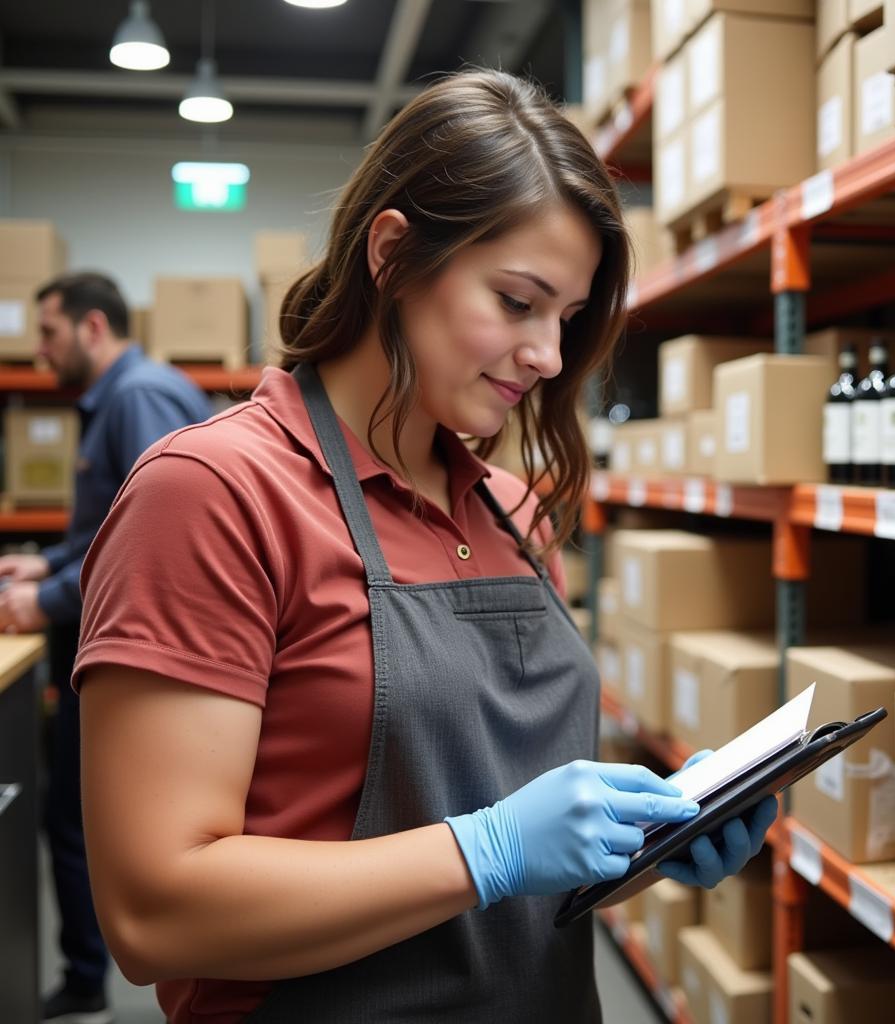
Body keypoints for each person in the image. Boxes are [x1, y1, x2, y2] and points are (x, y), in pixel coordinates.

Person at [73, 71, 777, 1024]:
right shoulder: (213, 496)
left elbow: (508, 887)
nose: (549, 357)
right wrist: (485, 849)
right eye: (518, 301)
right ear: (394, 254)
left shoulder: (516, 514)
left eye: (567, 319)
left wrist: (641, 845)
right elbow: (154, 913)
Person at [0, 271, 212, 1023]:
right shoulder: (123, 398)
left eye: (49, 332)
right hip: (113, 639)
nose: (39, 349)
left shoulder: (136, 398)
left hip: (136, 655)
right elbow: (109, 530)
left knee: (78, 821)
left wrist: (48, 600)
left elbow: (156, 544)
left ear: (93, 329)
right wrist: (52, 565)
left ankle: (90, 979)